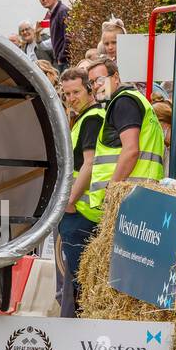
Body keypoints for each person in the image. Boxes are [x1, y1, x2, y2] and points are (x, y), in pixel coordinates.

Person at [78, 57, 165, 222]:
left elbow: (131, 150)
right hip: (139, 191)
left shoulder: (123, 102)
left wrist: (112, 188)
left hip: (128, 194)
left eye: (100, 80)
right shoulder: (132, 99)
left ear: (116, 77)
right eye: (92, 82)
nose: (96, 86)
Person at [57, 67, 104, 318]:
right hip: (79, 211)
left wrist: (70, 201)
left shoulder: (92, 118)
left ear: (89, 89)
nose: (71, 98)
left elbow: (90, 162)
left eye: (76, 92)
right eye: (66, 94)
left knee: (80, 282)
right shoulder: (83, 118)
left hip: (82, 212)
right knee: (75, 282)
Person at [37, 0, 68, 67]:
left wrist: (62, 57)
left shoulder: (62, 11)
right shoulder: (53, 14)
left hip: (65, 61)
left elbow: (69, 36)